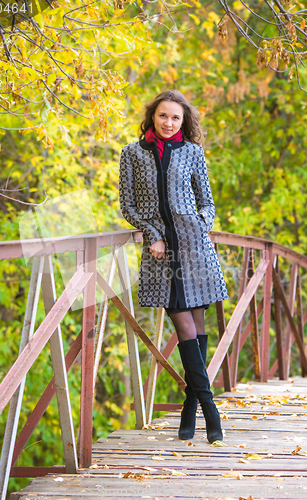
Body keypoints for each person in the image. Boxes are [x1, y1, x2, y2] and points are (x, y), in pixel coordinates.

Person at [118, 90, 229, 443]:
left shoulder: (193, 153)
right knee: (184, 322)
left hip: (194, 247)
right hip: (161, 253)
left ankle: (189, 408)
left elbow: (207, 202)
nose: (168, 122)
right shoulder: (132, 154)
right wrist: (152, 233)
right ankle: (210, 410)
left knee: (198, 322)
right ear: (153, 116)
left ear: (184, 121)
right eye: (163, 116)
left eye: (175, 118)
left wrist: (201, 223)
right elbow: (128, 205)